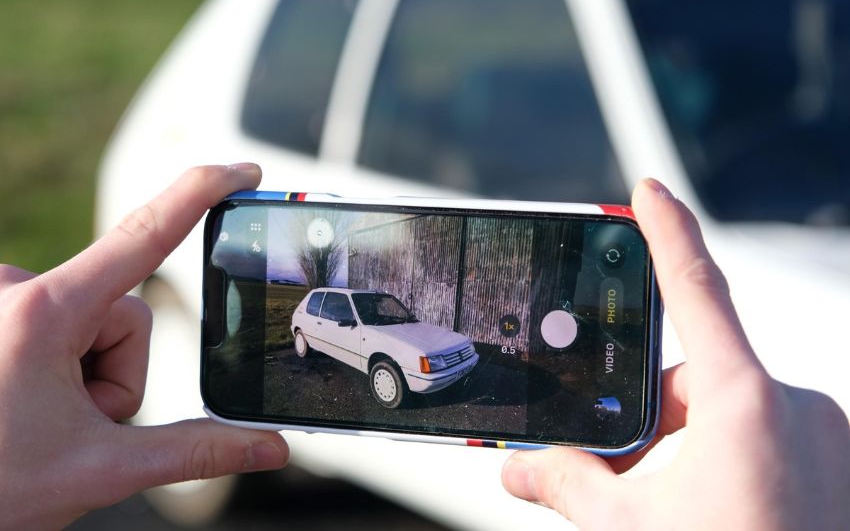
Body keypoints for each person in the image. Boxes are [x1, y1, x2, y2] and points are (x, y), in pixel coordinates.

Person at [0, 164, 846, 529]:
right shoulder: (326, 315)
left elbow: (440, 350)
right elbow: (387, 354)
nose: (433, 351)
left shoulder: (414, 328)